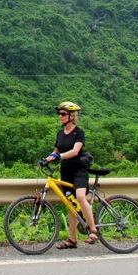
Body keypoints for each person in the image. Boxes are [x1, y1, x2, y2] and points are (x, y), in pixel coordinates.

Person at [45, 101, 99, 249]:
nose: (60, 116)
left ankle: (93, 231)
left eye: (63, 114)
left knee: (80, 197)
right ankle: (72, 240)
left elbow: (75, 151)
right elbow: (56, 151)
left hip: (79, 170)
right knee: (71, 205)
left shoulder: (79, 133)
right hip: (66, 171)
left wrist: (60, 156)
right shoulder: (60, 133)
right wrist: (47, 158)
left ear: (72, 116)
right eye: (59, 114)